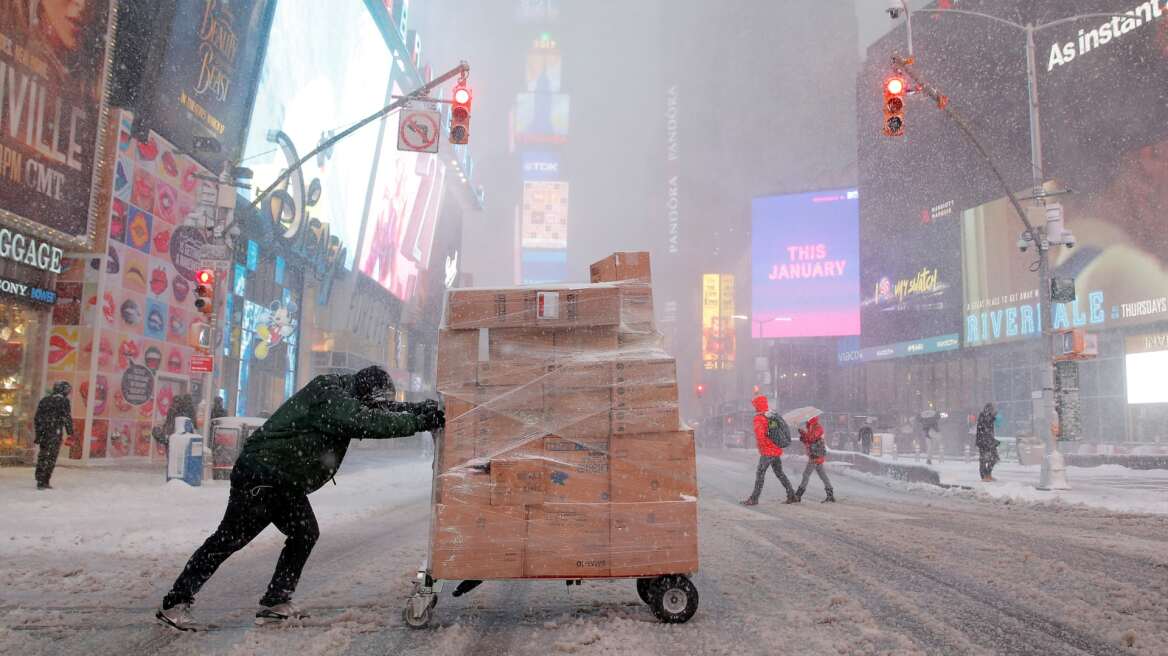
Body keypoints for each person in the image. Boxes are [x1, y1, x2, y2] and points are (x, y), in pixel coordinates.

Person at [156, 366, 444, 631]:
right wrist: (419, 421)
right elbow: (365, 419)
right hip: (264, 475)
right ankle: (175, 603)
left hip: (284, 480)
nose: (375, 407)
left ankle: (275, 602)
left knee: (304, 533)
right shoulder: (330, 394)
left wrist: (420, 409)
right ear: (362, 394)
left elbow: (378, 410)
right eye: (372, 402)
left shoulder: (346, 394)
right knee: (228, 539)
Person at [741, 396, 796, 506]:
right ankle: (791, 494)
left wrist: (762, 446)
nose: (754, 407)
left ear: (757, 405)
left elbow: (760, 435)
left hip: (767, 451)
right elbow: (773, 432)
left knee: (760, 474)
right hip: (775, 450)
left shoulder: (759, 418)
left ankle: (754, 498)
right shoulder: (771, 416)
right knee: (779, 473)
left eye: (755, 405)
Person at [33, 381, 74, 490]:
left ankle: (40, 479)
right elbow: (66, 418)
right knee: (51, 457)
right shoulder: (64, 401)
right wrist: (70, 433)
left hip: (44, 432)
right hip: (55, 432)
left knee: (43, 456)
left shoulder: (44, 400)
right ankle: (45, 480)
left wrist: (38, 433)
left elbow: (37, 418)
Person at [795, 415, 834, 503]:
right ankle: (830, 494)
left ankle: (798, 495)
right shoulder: (811, 427)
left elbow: (812, 439)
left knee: (806, 474)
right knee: (822, 475)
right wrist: (803, 435)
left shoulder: (817, 427)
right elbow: (808, 441)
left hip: (816, 455)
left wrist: (803, 434)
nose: (806, 420)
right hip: (815, 454)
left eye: (808, 418)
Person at [976, 403, 1000, 482]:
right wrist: (992, 416)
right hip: (983, 441)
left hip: (989, 441)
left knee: (994, 458)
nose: (993, 411)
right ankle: (984, 476)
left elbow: (989, 428)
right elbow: (985, 427)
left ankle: (988, 474)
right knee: (984, 459)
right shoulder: (983, 416)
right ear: (988, 409)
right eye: (992, 409)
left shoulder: (989, 417)